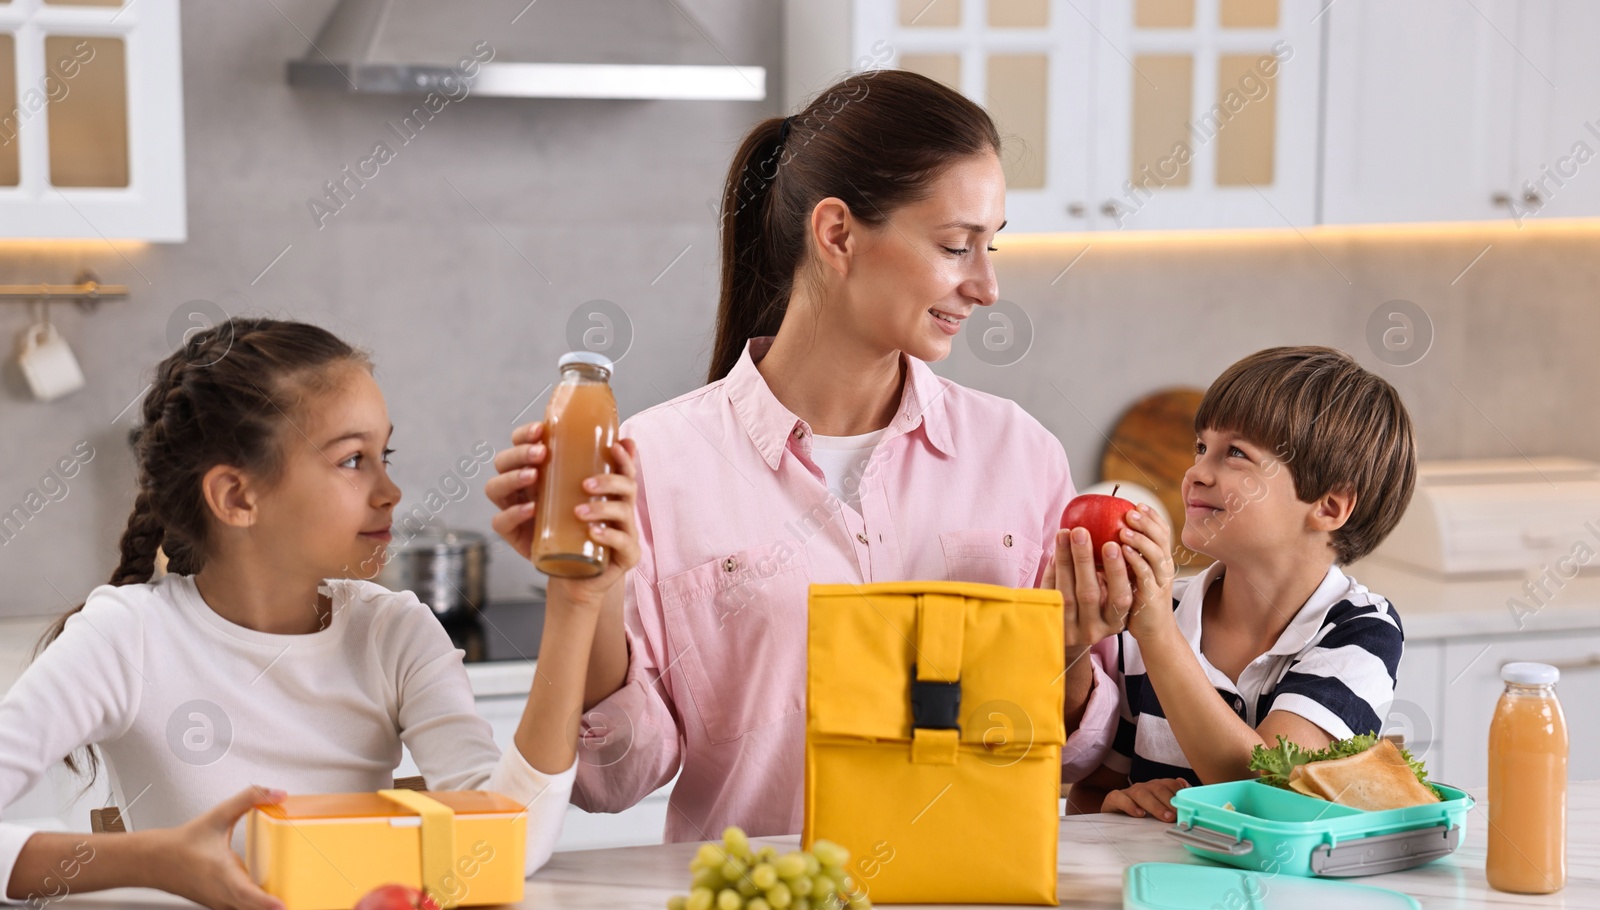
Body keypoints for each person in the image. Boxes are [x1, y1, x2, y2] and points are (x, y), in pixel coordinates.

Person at [486, 70, 1128, 842]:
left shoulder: (1019, 454)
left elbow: (1076, 755)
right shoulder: (654, 463)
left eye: (989, 246)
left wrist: (1063, 653)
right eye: (957, 246)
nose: (987, 286)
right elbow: (609, 778)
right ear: (836, 235)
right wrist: (589, 595)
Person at [0, 319, 639, 910]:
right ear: (237, 497)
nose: (390, 492)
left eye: (385, 453)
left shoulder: (394, 632)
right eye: (352, 460)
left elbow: (509, 842)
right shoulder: (128, 638)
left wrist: (575, 605)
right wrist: (157, 863)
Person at [1068, 346, 1418, 821]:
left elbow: (1268, 787)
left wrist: (1157, 635)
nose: (1195, 473)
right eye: (1200, 447)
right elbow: (1090, 794)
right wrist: (1116, 803)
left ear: (1329, 508)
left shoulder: (1360, 631)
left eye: (1235, 454)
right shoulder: (1159, 611)